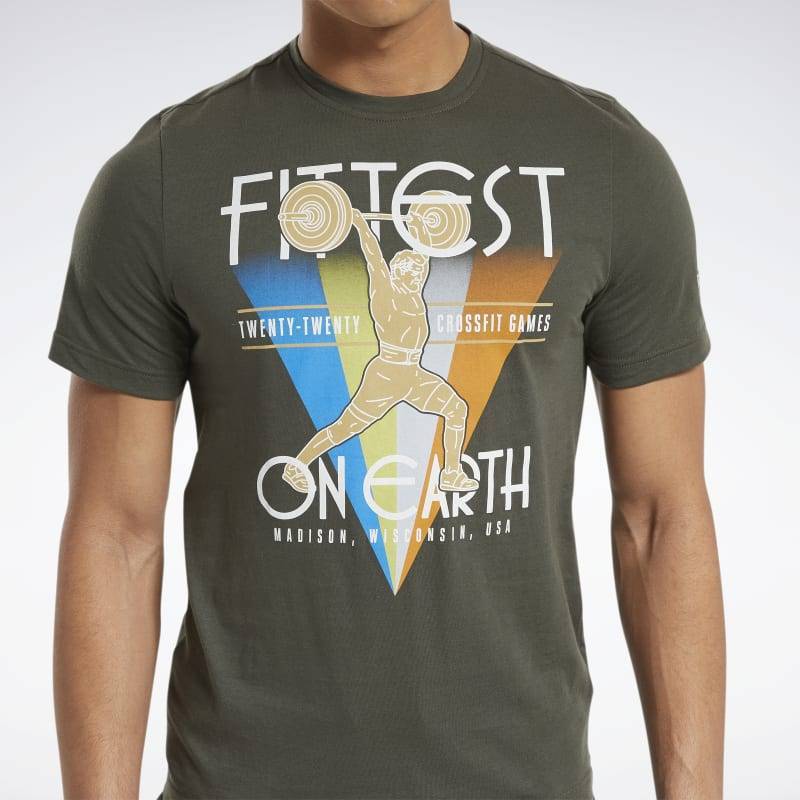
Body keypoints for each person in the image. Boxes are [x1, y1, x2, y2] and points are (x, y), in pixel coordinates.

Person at [50, 1, 725, 799]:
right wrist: (364, 233)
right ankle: (309, 465)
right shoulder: (163, 176)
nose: (409, 267)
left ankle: (444, 468)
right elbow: (117, 535)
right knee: (348, 427)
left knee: (442, 411)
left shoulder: (606, 162)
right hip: (240, 772)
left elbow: (660, 518)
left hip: (520, 779)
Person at [283, 204, 479, 494]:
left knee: (456, 408)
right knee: (346, 427)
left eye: (418, 273)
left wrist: (422, 227)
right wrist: (360, 225)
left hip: (413, 375)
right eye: (410, 273)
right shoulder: (384, 295)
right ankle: (296, 465)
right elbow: (374, 257)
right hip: (386, 376)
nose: (417, 276)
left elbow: (424, 253)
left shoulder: (414, 293)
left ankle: (451, 473)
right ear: (396, 273)